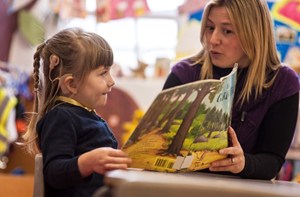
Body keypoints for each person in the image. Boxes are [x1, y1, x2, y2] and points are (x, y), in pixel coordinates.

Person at [163, 0, 300, 180]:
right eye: (210, 28)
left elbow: (272, 161)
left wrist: (244, 164)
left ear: (254, 35)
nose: (213, 40)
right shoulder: (183, 73)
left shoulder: (283, 83)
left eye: (227, 31)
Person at [23, 28, 131, 196]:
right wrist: (86, 163)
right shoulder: (61, 117)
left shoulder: (86, 115)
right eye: (103, 73)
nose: (112, 81)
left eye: (110, 72)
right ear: (71, 84)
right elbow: (53, 172)